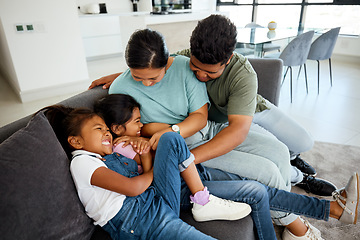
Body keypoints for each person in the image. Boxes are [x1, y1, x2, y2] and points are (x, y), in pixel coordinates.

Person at [88, 15, 336, 198]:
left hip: (242, 116)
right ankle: (293, 210)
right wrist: (125, 76)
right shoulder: (183, 61)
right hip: (207, 127)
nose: (200, 76)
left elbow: (234, 130)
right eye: (196, 68)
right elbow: (154, 61)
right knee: (269, 168)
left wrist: (184, 153)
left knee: (291, 147)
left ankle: (297, 172)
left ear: (226, 61)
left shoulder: (240, 75)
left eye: (209, 72)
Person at [88, 93, 358, 240]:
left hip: (187, 177)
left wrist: (142, 141)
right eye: (136, 121)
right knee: (172, 139)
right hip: (173, 194)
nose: (141, 125)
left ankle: (335, 209)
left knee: (259, 190)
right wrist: (143, 149)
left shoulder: (132, 140)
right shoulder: (117, 149)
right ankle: (202, 199)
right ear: (117, 128)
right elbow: (143, 179)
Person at [40, 105, 254, 240]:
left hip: (152, 203)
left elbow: (141, 180)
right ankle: (202, 200)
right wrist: (157, 172)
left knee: (171, 138)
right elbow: (132, 188)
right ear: (76, 142)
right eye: (99, 129)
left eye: (106, 128)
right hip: (136, 220)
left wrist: (143, 152)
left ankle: (201, 200)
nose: (106, 132)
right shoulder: (81, 163)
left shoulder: (104, 157)